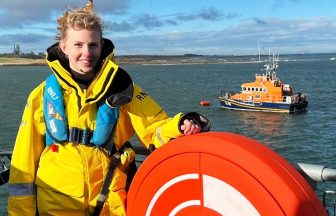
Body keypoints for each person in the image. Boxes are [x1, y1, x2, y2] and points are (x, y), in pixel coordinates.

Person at [7, 1, 210, 215]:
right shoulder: (41, 96)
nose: (86, 53)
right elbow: (24, 164)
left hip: (109, 206)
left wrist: (181, 124)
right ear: (63, 47)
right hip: (55, 207)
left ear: (101, 46)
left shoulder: (122, 89)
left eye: (93, 45)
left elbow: (155, 128)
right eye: (78, 45)